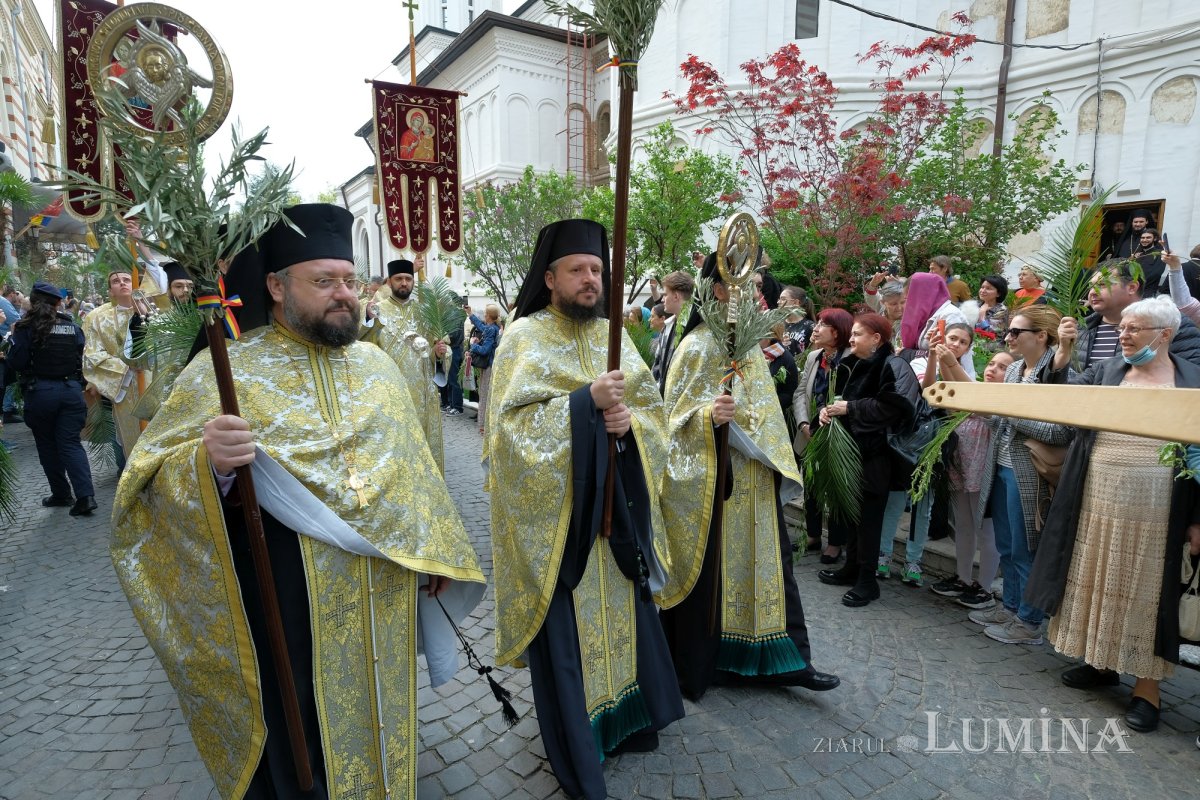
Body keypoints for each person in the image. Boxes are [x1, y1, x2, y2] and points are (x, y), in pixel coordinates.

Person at [111, 204, 485, 798]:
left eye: (349, 280)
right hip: (288, 592)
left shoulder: (378, 366)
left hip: (382, 585)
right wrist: (207, 466)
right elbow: (142, 492)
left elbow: (414, 470)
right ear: (277, 287)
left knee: (384, 708)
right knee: (302, 723)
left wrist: (433, 551)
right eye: (324, 281)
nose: (344, 295)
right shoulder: (224, 371)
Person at [485, 219, 683, 800]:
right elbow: (508, 434)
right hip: (561, 527)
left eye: (596, 270)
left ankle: (625, 722)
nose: (590, 279)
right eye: (578, 270)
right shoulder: (522, 337)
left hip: (615, 516)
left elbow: (652, 413)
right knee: (571, 635)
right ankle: (578, 743)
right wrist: (583, 404)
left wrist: (627, 426)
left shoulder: (612, 334)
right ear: (550, 278)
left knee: (622, 618)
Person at [659, 252, 840, 697]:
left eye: (755, 287)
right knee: (717, 573)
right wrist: (708, 417)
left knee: (774, 569)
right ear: (717, 290)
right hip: (715, 483)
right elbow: (673, 418)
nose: (756, 295)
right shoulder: (697, 346)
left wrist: (767, 452)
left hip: (755, 480)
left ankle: (788, 661)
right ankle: (716, 658)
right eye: (745, 286)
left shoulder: (749, 351)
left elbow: (763, 411)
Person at [1027, 296, 1200, 733]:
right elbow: (1060, 404)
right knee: (1096, 581)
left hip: (1160, 511)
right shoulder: (1107, 372)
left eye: (1133, 328)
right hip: (1097, 500)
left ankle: (1147, 688)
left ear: (1164, 335)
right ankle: (1101, 663)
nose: (1122, 335)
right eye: (1121, 327)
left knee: (1147, 595)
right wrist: (1062, 356)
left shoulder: (1193, 381)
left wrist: (1198, 519)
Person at [969, 305, 1072, 645]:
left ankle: (1029, 622)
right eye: (1008, 331)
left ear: (1041, 336)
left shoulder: (1059, 371)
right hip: (1001, 466)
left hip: (1030, 471)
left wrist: (1009, 414)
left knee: (1026, 547)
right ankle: (1011, 608)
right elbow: (1004, 420)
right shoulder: (1014, 369)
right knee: (1006, 545)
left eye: (1016, 332)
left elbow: (1061, 433)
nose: (1008, 337)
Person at [816, 312, 921, 606]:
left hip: (876, 457)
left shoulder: (894, 365)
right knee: (852, 515)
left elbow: (895, 408)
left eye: (858, 334)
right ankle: (851, 568)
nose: (851, 339)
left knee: (869, 521)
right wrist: (827, 410)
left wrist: (850, 408)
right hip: (851, 453)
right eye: (852, 335)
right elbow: (839, 400)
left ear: (877, 339)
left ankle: (867, 581)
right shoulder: (854, 363)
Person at [926, 345, 1014, 609]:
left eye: (1002, 367)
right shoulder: (974, 386)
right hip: (961, 465)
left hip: (983, 469)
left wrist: (952, 362)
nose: (993, 370)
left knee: (986, 530)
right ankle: (963, 578)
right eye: (991, 364)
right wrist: (942, 359)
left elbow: (976, 400)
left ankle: (984, 587)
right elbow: (953, 391)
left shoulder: (1003, 398)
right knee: (963, 524)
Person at [6, 282, 96, 516]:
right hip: (71, 392)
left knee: (47, 445)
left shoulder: (25, 328)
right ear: (59, 303)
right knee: (71, 444)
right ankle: (86, 497)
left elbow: (16, 363)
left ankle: (61, 494)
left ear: (33, 302)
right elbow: (81, 359)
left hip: (40, 394)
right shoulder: (72, 327)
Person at [361, 258, 446, 472]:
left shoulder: (423, 312)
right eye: (399, 279)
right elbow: (360, 341)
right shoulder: (376, 310)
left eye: (408, 279)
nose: (404, 283)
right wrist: (367, 317)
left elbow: (434, 347)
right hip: (391, 390)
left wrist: (439, 353)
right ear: (389, 281)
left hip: (423, 390)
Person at [1049, 259, 1200, 378]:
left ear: (1132, 287)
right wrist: (1062, 351)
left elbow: (1191, 377)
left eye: (1102, 285)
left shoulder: (1171, 324)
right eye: (1090, 286)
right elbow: (1065, 382)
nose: (1092, 293)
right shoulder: (1080, 329)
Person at [81, 264, 167, 462]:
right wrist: (125, 368)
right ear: (111, 291)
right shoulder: (98, 319)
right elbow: (91, 355)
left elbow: (166, 346)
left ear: (135, 285)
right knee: (133, 444)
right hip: (124, 386)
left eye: (127, 279)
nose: (122, 283)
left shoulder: (154, 314)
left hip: (153, 382)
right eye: (116, 281)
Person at [792, 308, 854, 563]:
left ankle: (836, 542)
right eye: (816, 323)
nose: (815, 329)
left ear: (837, 332)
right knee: (812, 485)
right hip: (811, 431)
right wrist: (803, 423)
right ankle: (814, 535)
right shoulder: (815, 356)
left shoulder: (852, 358)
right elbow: (799, 393)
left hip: (839, 432)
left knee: (837, 485)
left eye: (822, 325)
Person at [899, 272, 974, 378]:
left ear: (923, 295)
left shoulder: (951, 315)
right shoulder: (928, 314)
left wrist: (907, 353)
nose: (908, 304)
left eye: (909, 298)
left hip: (949, 381)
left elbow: (949, 353)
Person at [650, 270, 694, 394]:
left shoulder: (694, 328)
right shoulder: (667, 327)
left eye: (665, 294)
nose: (663, 299)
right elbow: (657, 366)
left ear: (676, 296)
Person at [466, 303, 500, 435]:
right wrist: (470, 314)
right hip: (488, 366)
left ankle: (484, 427)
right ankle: (484, 426)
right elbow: (481, 327)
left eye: (486, 314)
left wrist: (473, 346)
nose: (484, 316)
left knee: (485, 396)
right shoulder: (492, 327)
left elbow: (485, 350)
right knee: (485, 394)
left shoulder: (491, 329)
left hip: (488, 367)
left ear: (489, 316)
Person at [779, 285, 816, 356]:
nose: (778, 302)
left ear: (796, 302)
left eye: (783, 299)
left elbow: (813, 354)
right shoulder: (777, 324)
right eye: (779, 299)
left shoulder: (810, 327)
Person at [974, 274, 1009, 346]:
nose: (983, 291)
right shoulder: (976, 305)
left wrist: (982, 317)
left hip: (991, 349)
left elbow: (992, 335)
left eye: (988, 288)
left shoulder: (1001, 310)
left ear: (998, 294)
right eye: (982, 287)